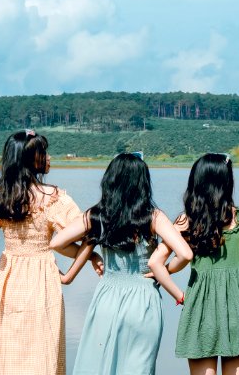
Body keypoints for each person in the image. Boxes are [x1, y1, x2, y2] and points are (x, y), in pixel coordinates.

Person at [50, 152, 193, 375]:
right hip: (144, 300)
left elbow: (57, 242)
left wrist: (91, 256)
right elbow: (185, 253)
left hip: (107, 295)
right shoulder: (153, 216)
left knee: (101, 366)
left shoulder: (97, 215)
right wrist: (161, 271)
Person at [0, 129, 88, 375]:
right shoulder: (54, 198)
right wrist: (76, 270)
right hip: (44, 276)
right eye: (44, 152)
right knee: (44, 350)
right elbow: (87, 233)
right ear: (32, 160)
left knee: (8, 350)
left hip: (9, 275)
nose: (49, 158)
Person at [169, 153, 239, 375]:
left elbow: (165, 260)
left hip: (199, 308)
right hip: (237, 308)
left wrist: (164, 278)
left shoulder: (186, 221)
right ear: (227, 182)